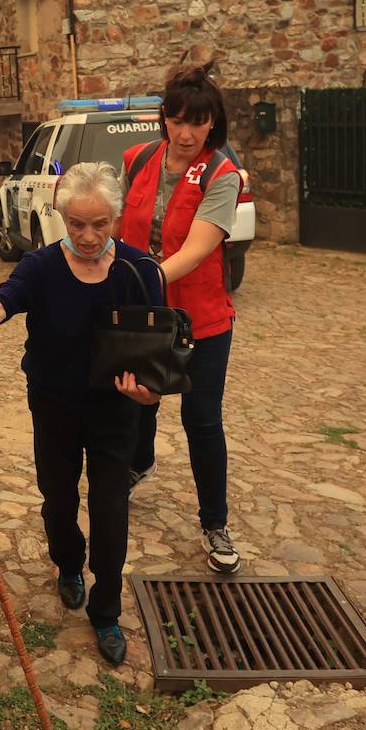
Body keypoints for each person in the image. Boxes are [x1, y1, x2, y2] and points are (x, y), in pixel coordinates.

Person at [0, 162, 161, 667]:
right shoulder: (40, 267)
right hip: (55, 406)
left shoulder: (139, 270)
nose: (88, 236)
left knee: (111, 509)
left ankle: (106, 610)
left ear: (116, 218)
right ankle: (68, 563)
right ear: (61, 215)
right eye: (77, 223)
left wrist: (151, 393)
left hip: (115, 412)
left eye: (100, 224)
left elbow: (161, 349)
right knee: (58, 500)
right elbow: (4, 301)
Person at [118, 63, 243, 574]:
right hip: (143, 314)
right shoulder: (138, 158)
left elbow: (196, 249)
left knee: (202, 421)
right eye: (178, 120)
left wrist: (139, 281)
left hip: (201, 321)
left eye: (199, 122)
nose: (187, 132)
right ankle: (137, 463)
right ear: (163, 119)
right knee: (136, 398)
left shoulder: (222, 175)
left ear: (213, 123)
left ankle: (215, 522)